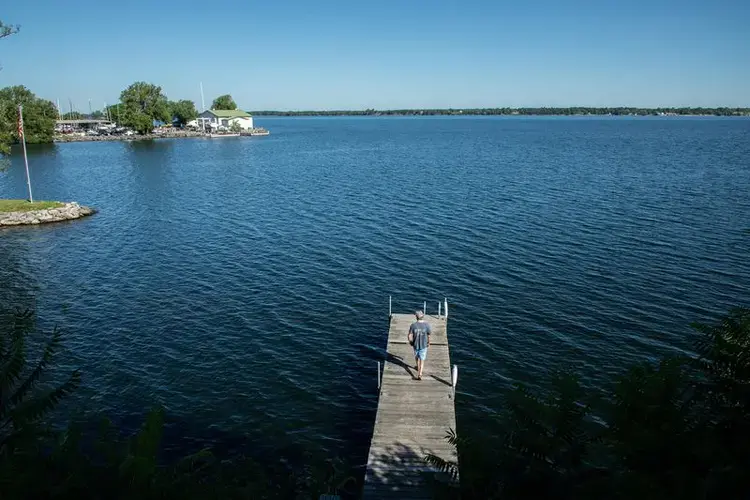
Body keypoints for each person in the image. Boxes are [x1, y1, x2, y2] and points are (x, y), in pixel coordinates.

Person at [408, 310, 431, 380]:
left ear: (416, 317)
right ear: (423, 316)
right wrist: (429, 342)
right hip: (424, 345)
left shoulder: (413, 325)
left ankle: (418, 367)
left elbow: (409, 335)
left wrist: (411, 342)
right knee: (422, 360)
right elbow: (429, 335)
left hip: (415, 345)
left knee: (417, 357)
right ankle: (420, 374)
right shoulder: (427, 325)